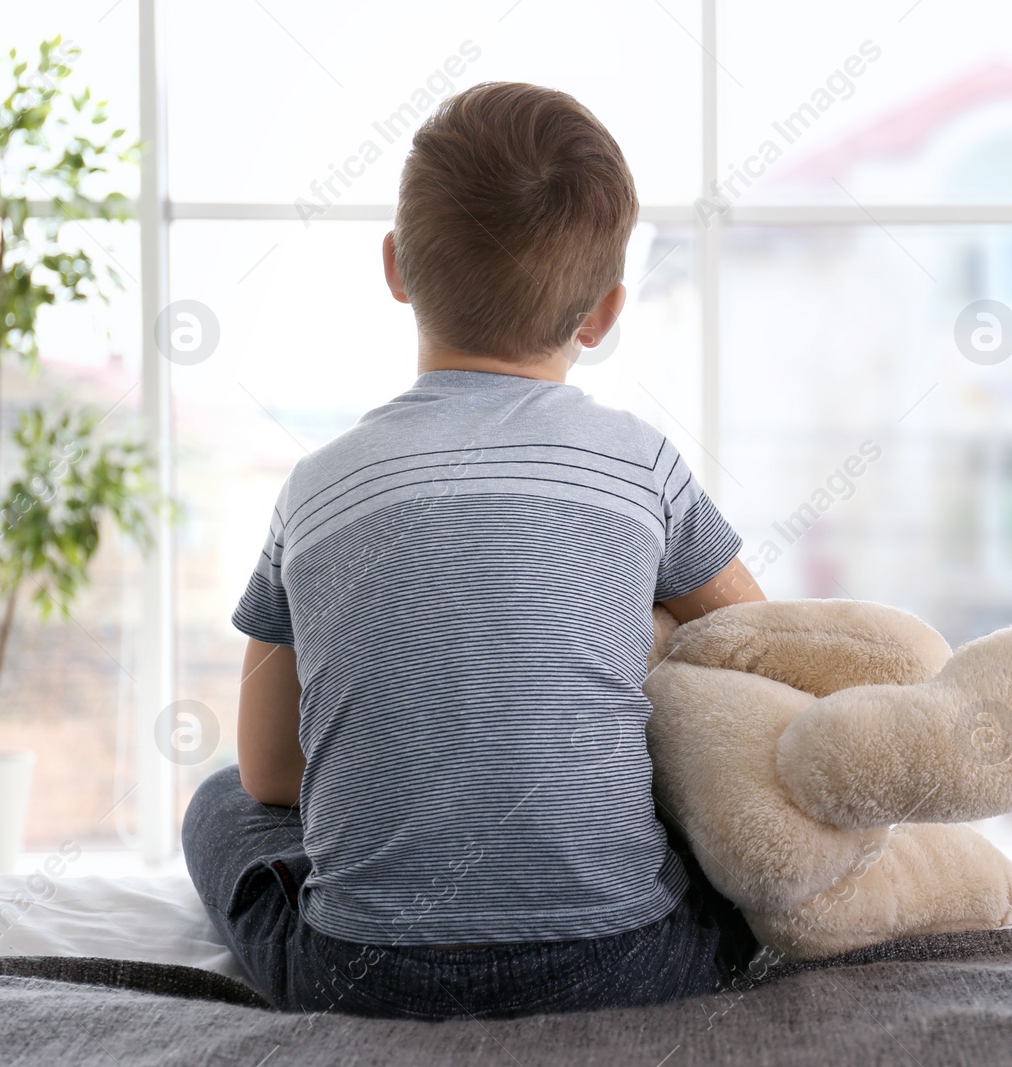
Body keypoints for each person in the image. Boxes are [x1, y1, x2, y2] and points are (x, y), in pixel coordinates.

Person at [183, 82, 765, 1020]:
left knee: (215, 800)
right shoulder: (642, 466)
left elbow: (269, 774)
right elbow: (762, 659)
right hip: (627, 965)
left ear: (395, 267)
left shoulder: (314, 488)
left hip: (364, 979)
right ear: (606, 311)